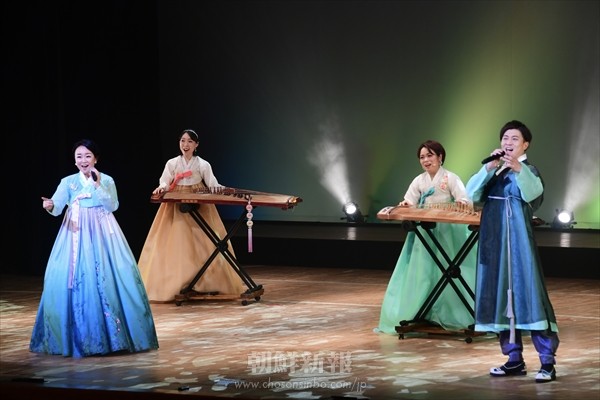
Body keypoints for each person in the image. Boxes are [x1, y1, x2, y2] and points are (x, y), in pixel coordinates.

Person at [30, 139, 159, 358]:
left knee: (113, 276)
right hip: (75, 232)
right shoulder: (68, 182)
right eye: (79, 156)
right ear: (74, 160)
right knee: (66, 277)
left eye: (88, 156)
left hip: (103, 233)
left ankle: (116, 337)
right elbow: (58, 206)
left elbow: (112, 205)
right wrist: (50, 205)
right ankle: (74, 337)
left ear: (95, 159)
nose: (83, 160)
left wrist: (98, 184)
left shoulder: (106, 179)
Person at [466, 120, 559, 383]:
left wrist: (519, 169)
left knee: (529, 294)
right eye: (505, 138)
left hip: (518, 243)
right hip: (495, 241)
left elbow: (534, 195)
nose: (508, 142)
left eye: (515, 139)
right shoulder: (495, 170)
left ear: (525, 145)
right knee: (500, 297)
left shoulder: (529, 170)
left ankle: (547, 361)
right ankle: (513, 359)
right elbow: (470, 194)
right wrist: (488, 167)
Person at [376, 140, 476, 334]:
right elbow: (409, 200)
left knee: (447, 268)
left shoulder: (450, 178)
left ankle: (451, 313)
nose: (426, 160)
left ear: (440, 157)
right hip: (425, 230)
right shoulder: (419, 180)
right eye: (422, 157)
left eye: (430, 155)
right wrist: (406, 205)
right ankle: (424, 313)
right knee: (423, 271)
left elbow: (464, 199)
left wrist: (462, 203)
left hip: (447, 231)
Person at [138, 129, 246, 302]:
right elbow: (165, 181)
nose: (185, 145)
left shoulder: (202, 164)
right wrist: (162, 187)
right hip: (176, 203)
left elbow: (213, 184)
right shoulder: (172, 163)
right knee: (176, 240)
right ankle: (177, 283)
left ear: (196, 145)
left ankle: (205, 283)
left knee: (203, 242)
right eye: (182, 141)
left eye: (189, 141)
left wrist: (223, 189)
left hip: (198, 202)